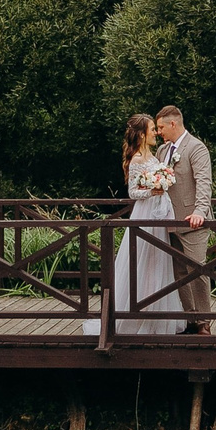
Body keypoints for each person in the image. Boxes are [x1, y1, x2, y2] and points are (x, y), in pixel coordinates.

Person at [83, 113, 187, 336]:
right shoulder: (138, 159)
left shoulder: (154, 155)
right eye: (152, 130)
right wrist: (154, 189)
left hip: (157, 214)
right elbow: (133, 192)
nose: (155, 133)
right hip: (145, 213)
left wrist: (163, 180)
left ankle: (155, 318)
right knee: (141, 262)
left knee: (158, 262)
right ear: (141, 134)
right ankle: (135, 317)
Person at [153, 105, 213, 334]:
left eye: (160, 127)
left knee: (198, 271)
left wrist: (200, 211)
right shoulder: (162, 151)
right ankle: (190, 319)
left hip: (192, 221)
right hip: (169, 220)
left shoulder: (196, 148)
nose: (159, 132)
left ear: (173, 124)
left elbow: (204, 182)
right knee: (179, 273)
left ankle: (204, 321)